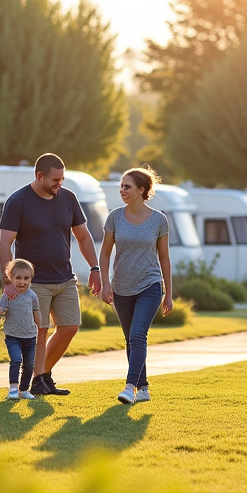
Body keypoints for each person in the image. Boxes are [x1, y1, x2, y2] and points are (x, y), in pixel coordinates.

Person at [0, 153, 102, 397]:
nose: (60, 184)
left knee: (70, 327)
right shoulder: (19, 201)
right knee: (40, 331)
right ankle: (38, 380)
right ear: (39, 176)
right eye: (55, 179)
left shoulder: (68, 198)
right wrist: (8, 282)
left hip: (65, 278)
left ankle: (41, 376)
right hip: (34, 283)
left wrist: (95, 268)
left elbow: (84, 236)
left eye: (62, 179)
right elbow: (5, 244)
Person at [99, 167, 173, 405]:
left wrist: (168, 293)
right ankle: (143, 388)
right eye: (121, 186)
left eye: (127, 186)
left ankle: (129, 387)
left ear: (142, 190)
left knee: (138, 335)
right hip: (121, 286)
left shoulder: (159, 220)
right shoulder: (115, 217)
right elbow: (105, 253)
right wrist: (105, 283)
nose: (122, 190)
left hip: (150, 285)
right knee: (130, 339)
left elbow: (164, 258)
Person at [0, 259, 40, 401]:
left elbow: (36, 312)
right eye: (18, 278)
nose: (22, 282)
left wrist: (42, 326)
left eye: (26, 278)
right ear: (10, 278)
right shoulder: (8, 296)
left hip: (30, 336)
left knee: (29, 364)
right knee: (16, 360)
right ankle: (13, 388)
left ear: (31, 278)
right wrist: (0, 311)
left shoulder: (32, 296)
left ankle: (24, 390)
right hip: (13, 336)